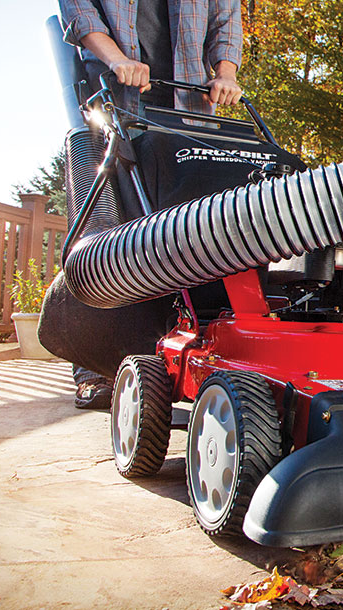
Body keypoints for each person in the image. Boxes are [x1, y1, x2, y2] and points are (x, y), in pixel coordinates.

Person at [57, 0, 243, 408]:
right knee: (105, 227)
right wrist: (118, 58)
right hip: (112, 97)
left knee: (188, 227)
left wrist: (225, 74)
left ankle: (186, 348)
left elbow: (225, 22)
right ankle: (93, 368)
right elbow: (80, 14)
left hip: (187, 107)